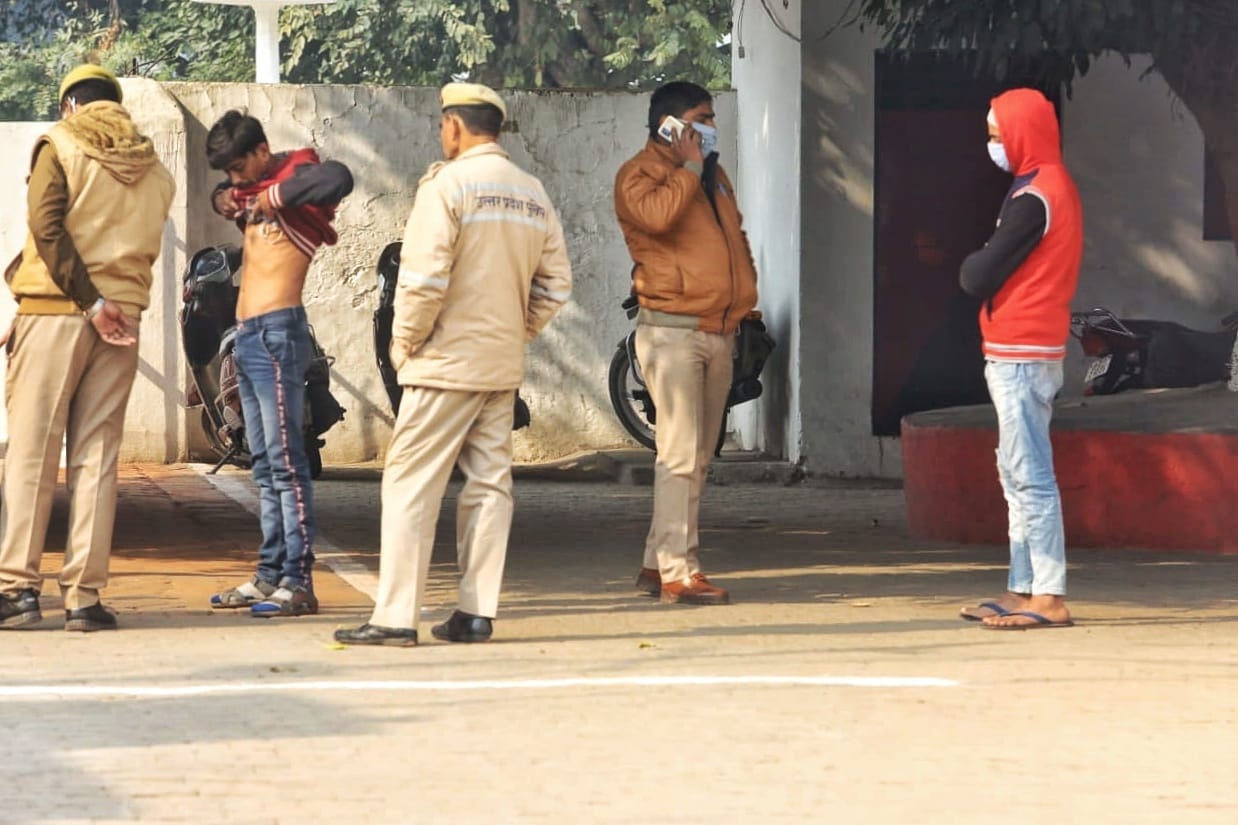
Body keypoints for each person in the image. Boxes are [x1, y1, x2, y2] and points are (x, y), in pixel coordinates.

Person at [335, 82, 572, 647]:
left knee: (410, 484)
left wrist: (404, 345)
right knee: (490, 485)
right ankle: (475, 612)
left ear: (456, 127)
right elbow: (557, 284)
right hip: (499, 365)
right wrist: (518, 330)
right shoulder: (531, 192)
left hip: (443, 363)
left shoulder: (448, 186)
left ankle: (394, 617)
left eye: (443, 125)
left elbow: (422, 279)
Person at [0, 65, 175, 632]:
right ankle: (84, 598)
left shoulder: (61, 143)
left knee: (31, 452)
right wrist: (106, 306)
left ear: (72, 105)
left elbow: (46, 228)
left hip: (57, 312)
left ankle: (17, 590)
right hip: (122, 323)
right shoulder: (154, 169)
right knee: (96, 459)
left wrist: (60, 302)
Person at [613, 81, 759, 606]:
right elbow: (657, 219)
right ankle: (680, 571)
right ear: (670, 126)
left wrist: (743, 301)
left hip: (719, 330)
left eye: (712, 117)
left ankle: (657, 563)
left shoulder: (714, 177)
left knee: (696, 458)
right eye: (701, 117)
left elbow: (731, 239)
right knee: (677, 455)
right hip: (672, 332)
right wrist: (689, 167)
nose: (711, 126)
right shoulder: (640, 175)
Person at [204, 111, 353, 618]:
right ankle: (269, 575)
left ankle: (299, 581)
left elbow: (338, 176)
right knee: (264, 464)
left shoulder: (299, 180)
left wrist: (270, 196)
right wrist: (228, 196)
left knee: (287, 466)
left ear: (262, 153)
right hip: (246, 335)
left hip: (276, 331)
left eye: (241, 171)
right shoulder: (251, 188)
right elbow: (224, 194)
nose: (237, 184)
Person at [957, 88, 1082, 630]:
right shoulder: (1037, 186)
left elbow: (977, 275)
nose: (992, 144)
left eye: (996, 133)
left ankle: (1049, 595)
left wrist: (970, 261)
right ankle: (1022, 586)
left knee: (1030, 474)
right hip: (1021, 349)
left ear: (1021, 132)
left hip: (1023, 354)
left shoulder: (1037, 197)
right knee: (1014, 471)